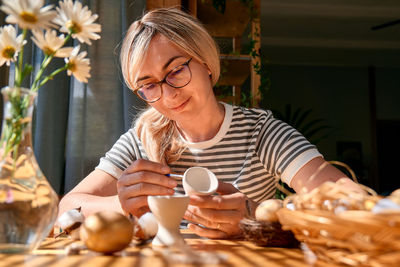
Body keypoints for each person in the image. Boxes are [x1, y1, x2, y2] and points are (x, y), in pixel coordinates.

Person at [58, 7, 359, 239]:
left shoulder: (261, 134)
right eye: (149, 85)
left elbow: (352, 204)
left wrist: (253, 217)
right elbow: (67, 207)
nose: (168, 94)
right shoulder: (141, 139)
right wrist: (119, 204)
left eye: (175, 70)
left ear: (205, 62)